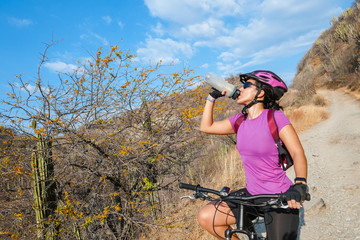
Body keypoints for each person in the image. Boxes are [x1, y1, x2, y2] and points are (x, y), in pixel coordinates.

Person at [198, 70, 308, 240]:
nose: (240, 89)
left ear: (260, 92)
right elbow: (206, 127)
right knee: (207, 217)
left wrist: (300, 184)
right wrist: (211, 97)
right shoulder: (239, 121)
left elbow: (297, 152)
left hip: (277, 196)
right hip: (252, 194)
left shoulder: (275, 117)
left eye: (246, 86)